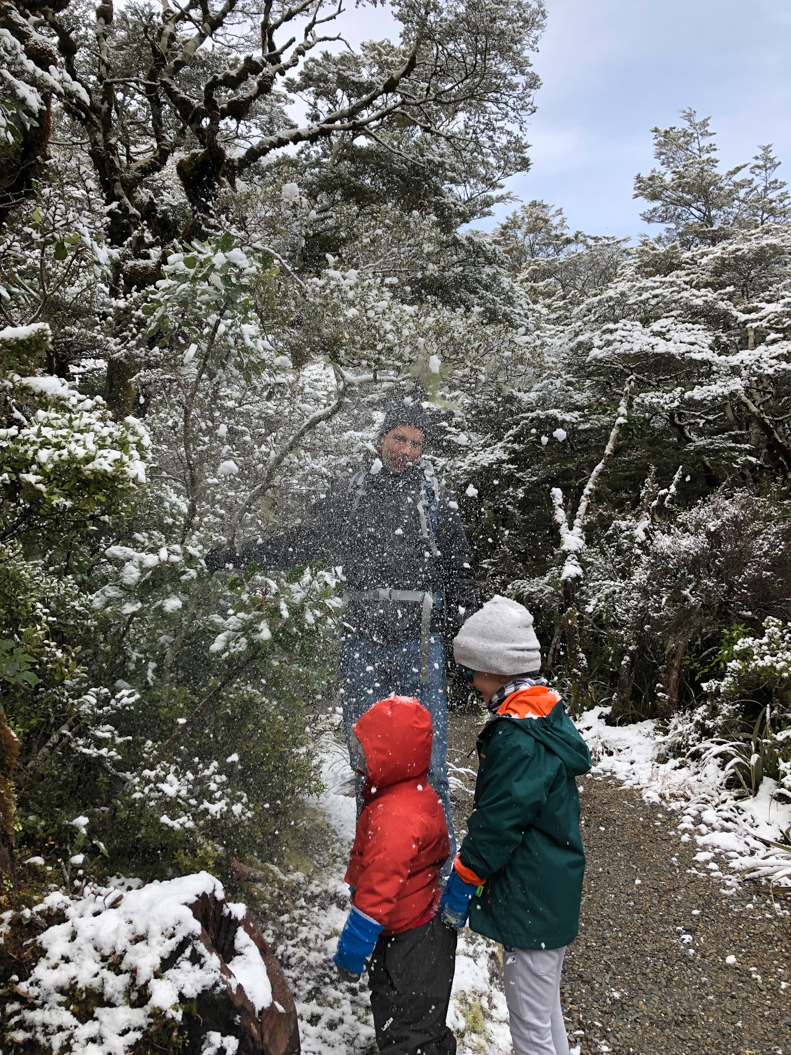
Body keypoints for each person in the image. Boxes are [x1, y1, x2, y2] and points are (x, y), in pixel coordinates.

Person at [205, 401, 476, 867]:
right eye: (399, 438)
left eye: (416, 443)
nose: (406, 451)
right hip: (362, 644)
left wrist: (463, 651)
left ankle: (438, 876)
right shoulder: (354, 494)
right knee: (368, 763)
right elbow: (302, 543)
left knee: (429, 766)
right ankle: (376, 870)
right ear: (381, 438)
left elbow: (460, 574)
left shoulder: (435, 499)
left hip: (420, 644)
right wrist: (237, 557)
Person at [438, 595, 592, 1055]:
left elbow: (498, 823)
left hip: (531, 899)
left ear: (498, 669)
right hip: (547, 892)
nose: (471, 682)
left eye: (473, 672)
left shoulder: (518, 736)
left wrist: (464, 877)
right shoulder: (540, 715)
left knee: (529, 1029)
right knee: (545, 1015)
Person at [333, 694, 457, 1055]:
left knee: (409, 1033)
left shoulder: (395, 817)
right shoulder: (413, 793)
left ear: (391, 757)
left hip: (411, 945)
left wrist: (352, 950)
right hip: (419, 931)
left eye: (367, 753)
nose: (359, 760)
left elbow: (377, 890)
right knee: (421, 1024)